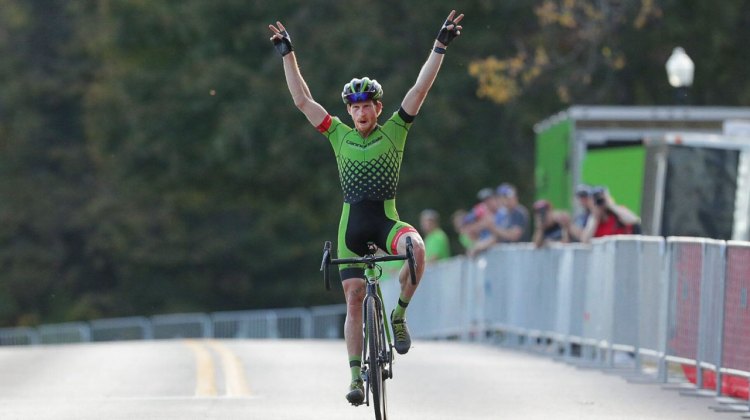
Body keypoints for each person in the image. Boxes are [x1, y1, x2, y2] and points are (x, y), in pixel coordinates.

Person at [268, 10, 464, 406]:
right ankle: (356, 377)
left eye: (366, 106)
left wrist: (439, 46)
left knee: (418, 249)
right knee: (354, 296)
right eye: (353, 107)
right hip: (352, 228)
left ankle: (399, 315)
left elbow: (420, 88)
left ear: (377, 108)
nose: (359, 113)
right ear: (349, 111)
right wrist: (288, 53)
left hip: (386, 221)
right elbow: (302, 100)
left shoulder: (396, 130)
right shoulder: (337, 134)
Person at [469, 183, 529, 255]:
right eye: (505, 197)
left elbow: (514, 235)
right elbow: (498, 237)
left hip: (521, 255)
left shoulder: (519, 212)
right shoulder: (504, 214)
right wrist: (481, 245)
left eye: (510, 197)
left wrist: (492, 228)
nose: (508, 200)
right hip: (510, 256)